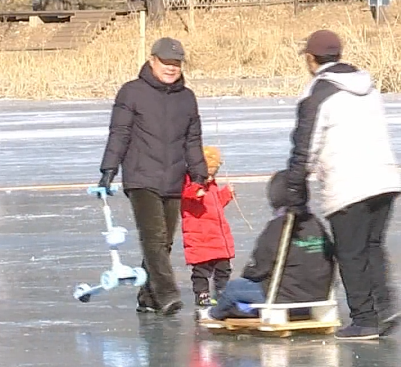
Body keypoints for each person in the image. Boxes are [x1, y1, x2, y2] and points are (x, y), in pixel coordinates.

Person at [284, 30, 401, 340]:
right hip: (385, 179)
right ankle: (384, 305)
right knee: (372, 246)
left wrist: (294, 191)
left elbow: (304, 147)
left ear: (311, 59)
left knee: (350, 253)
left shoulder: (318, 94)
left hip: (348, 183)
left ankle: (365, 319)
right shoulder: (368, 85)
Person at [99, 37, 208, 316]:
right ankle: (167, 294)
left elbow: (192, 140)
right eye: (166, 63)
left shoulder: (187, 98)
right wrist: (108, 170)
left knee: (166, 242)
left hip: (173, 177)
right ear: (152, 61)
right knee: (155, 238)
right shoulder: (132, 92)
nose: (171, 69)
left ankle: (147, 296)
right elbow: (119, 133)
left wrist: (199, 174)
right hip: (141, 177)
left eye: (176, 64)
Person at [199, 170, 334, 322]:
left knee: (232, 289)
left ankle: (213, 314)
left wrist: (249, 275)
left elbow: (259, 266)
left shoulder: (278, 226)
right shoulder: (316, 224)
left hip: (283, 295)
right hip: (318, 293)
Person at [181, 145, 236, 307]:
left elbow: (216, 205)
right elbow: (184, 194)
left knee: (223, 268)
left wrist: (227, 194)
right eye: (209, 172)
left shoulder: (212, 186)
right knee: (201, 270)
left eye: (215, 172)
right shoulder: (189, 182)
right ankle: (202, 294)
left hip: (218, 236)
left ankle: (221, 292)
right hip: (200, 237)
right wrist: (195, 192)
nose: (212, 177)